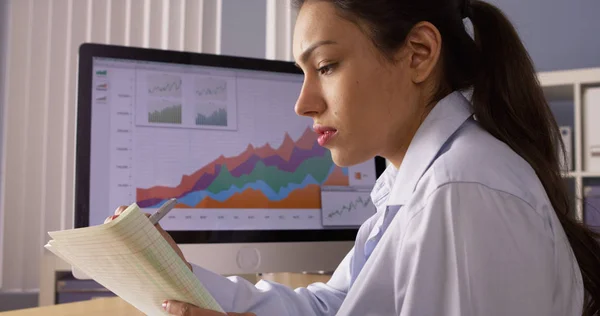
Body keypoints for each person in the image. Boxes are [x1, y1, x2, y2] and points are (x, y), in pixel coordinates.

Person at [108, 0, 600, 315]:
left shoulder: (460, 192)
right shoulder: (414, 181)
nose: (303, 103)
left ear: (419, 53)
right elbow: (335, 306)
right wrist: (180, 278)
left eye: (325, 66)